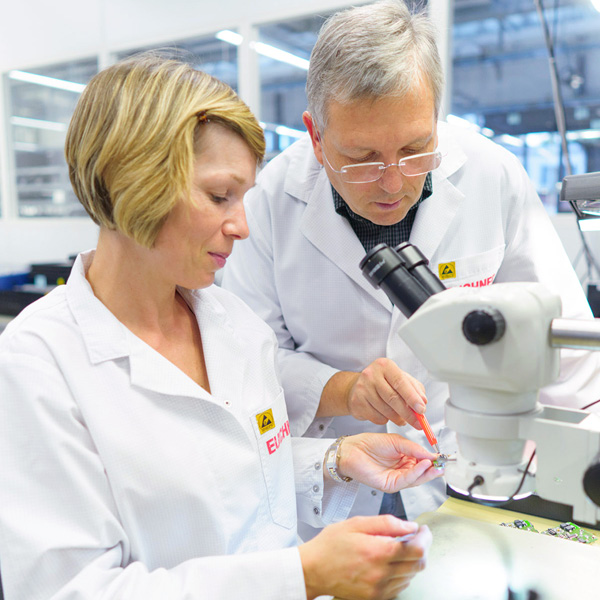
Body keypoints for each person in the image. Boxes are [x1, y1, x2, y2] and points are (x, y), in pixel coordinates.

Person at [0, 53, 444, 600]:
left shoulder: (234, 325)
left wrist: (335, 461)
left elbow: (236, 481)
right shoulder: (38, 363)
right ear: (130, 180)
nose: (241, 225)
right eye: (219, 196)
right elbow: (67, 590)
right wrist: (299, 576)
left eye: (244, 197)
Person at [221, 0, 600, 534]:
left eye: (416, 149)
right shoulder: (267, 204)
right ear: (316, 136)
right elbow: (246, 362)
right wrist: (341, 387)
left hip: (477, 471)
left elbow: (569, 346)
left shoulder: (493, 176)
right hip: (331, 480)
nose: (393, 182)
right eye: (363, 158)